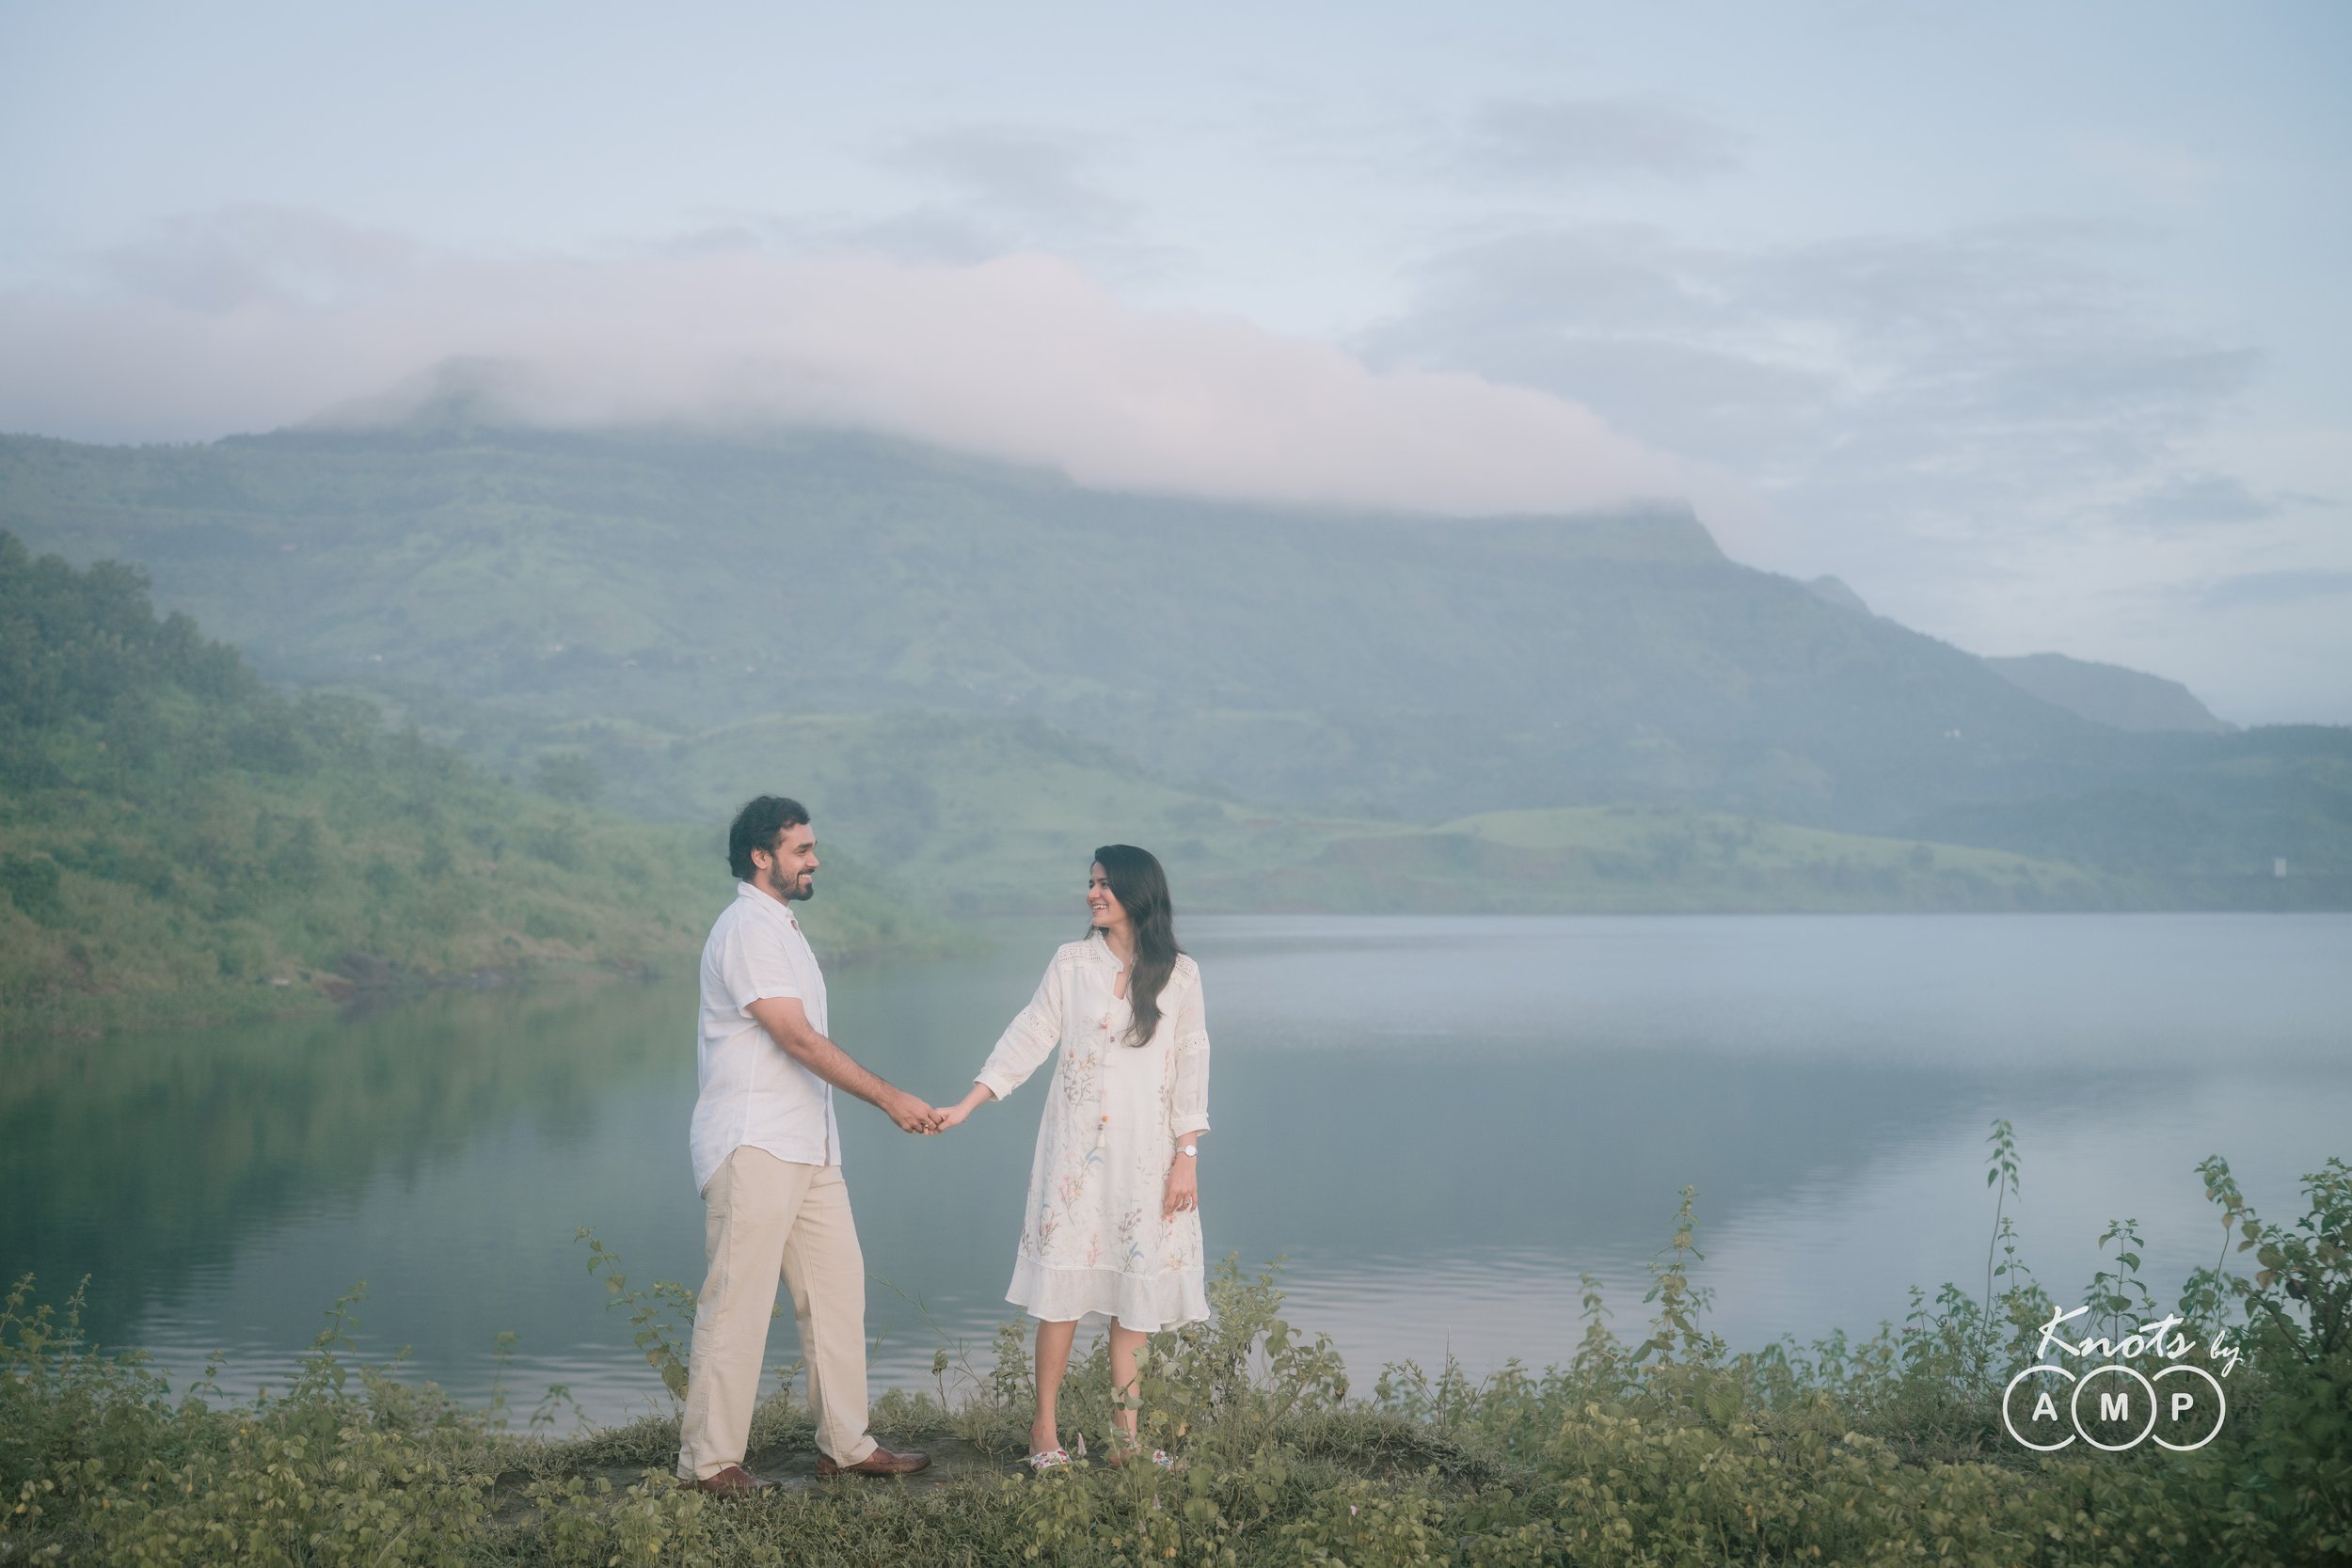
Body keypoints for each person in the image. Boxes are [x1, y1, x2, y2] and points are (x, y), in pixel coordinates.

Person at [675, 795, 937, 1494]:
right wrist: (889, 1097)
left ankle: (845, 1444)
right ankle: (708, 1463)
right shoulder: (746, 929)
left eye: (812, 847)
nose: (814, 858)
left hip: (810, 1146)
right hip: (755, 1141)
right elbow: (793, 1038)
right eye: (801, 848)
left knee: (836, 1292)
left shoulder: (782, 927)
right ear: (762, 856)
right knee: (736, 1301)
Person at [936, 844, 1212, 1470]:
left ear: (1138, 893)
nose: (1093, 893)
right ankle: (1045, 1431)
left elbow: (1191, 1063)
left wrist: (1186, 1154)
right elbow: (1028, 1035)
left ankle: (1125, 1441)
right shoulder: (1071, 965)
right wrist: (968, 1103)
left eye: (1106, 884)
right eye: (1090, 882)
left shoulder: (1181, 974)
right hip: (1074, 1160)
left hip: (1148, 1160)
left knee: (1133, 1300)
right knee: (1061, 1295)